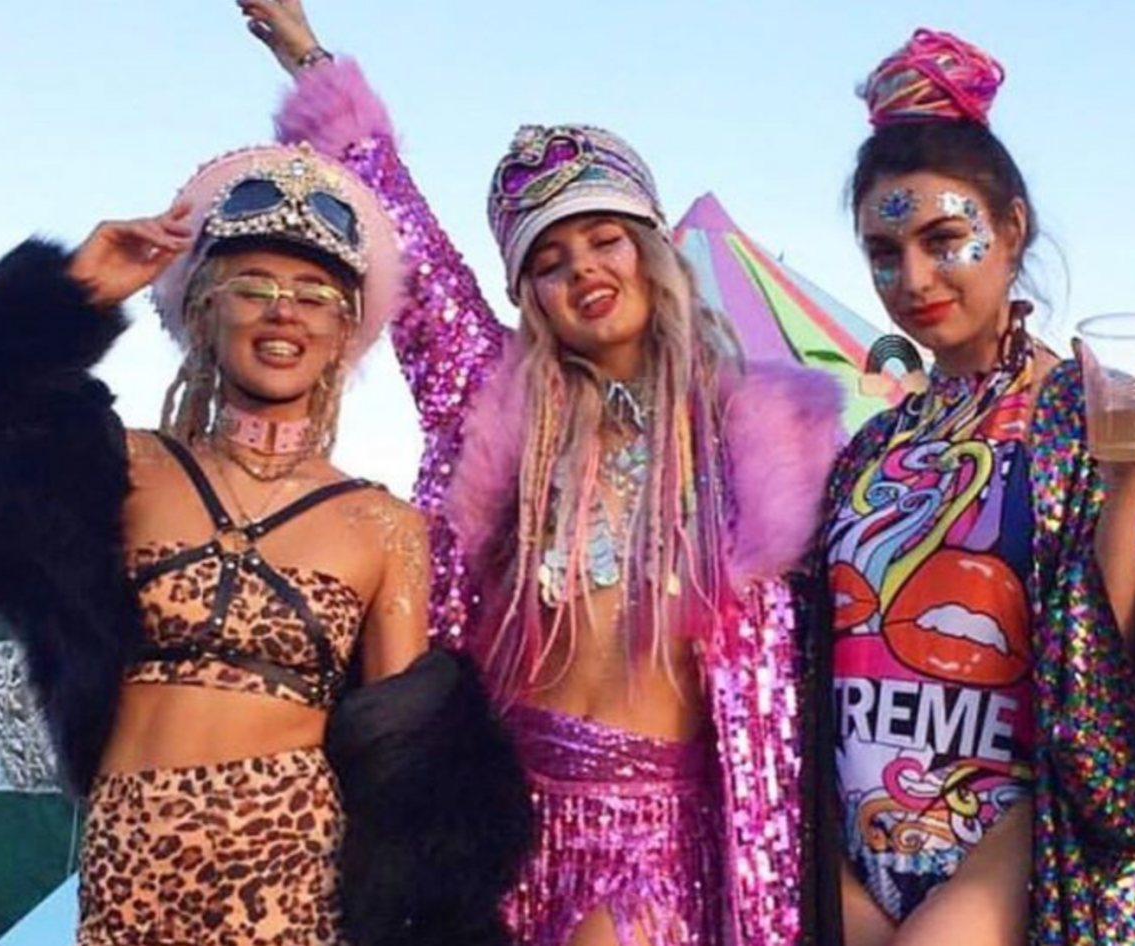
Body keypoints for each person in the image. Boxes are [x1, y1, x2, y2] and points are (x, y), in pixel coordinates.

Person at [238, 3, 843, 943]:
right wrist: (310, 63)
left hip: (662, 844)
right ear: (529, 294)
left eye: (604, 238)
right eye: (551, 260)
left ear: (650, 249)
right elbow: (414, 257)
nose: (584, 270)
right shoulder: (500, 409)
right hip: (511, 831)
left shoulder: (751, 431)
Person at [0, 140, 529, 946]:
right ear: (204, 308)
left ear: (344, 331)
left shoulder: (384, 527)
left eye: (314, 294)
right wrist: (65, 300)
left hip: (289, 883)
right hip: (126, 870)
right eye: (254, 286)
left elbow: (405, 773)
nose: (284, 310)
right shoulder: (118, 467)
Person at [800, 29, 1135, 946]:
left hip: (1021, 847)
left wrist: (1126, 485)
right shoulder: (871, 449)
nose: (913, 279)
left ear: (1010, 230)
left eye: (943, 239)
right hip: (855, 844)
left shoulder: (1093, 414)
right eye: (884, 251)